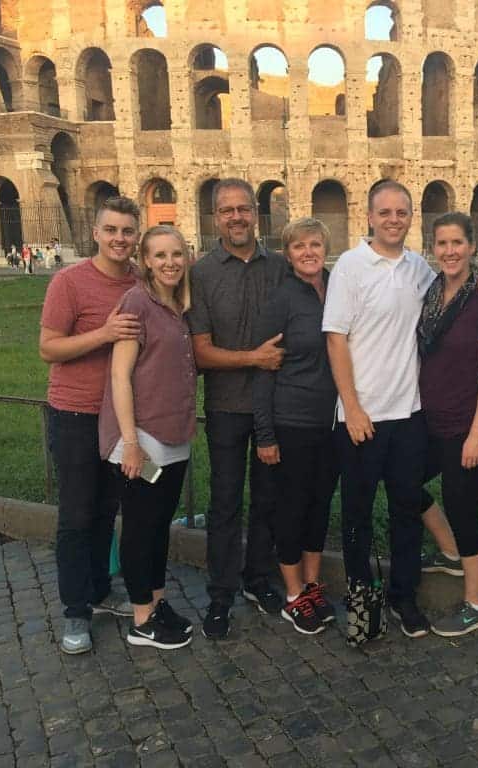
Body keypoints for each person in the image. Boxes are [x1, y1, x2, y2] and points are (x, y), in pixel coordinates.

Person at [323, 180, 435, 639]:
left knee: (407, 509)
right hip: (361, 415)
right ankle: (362, 601)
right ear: (369, 216)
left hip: (407, 412)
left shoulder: (418, 268)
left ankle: (403, 596)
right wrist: (351, 407)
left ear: (411, 217)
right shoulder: (350, 266)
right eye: (384, 212)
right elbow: (335, 338)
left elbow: (449, 291)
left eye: (401, 212)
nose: (393, 219)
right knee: (358, 513)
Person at [39, 196, 141, 654]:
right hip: (75, 412)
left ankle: (99, 590)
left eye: (127, 231)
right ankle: (75, 611)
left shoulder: (141, 282)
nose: (119, 238)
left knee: (105, 510)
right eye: (111, 230)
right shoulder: (70, 281)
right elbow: (48, 348)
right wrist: (105, 333)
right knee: (77, 514)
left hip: (118, 416)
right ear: (96, 233)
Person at [187, 178, 286, 640]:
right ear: (215, 218)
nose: (237, 217)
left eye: (243, 209)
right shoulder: (202, 273)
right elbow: (200, 353)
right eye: (227, 211)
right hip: (226, 406)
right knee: (225, 503)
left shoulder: (281, 268)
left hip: (275, 407)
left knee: (269, 499)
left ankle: (257, 577)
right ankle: (221, 592)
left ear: (256, 214)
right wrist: (253, 358)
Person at [99, 225, 197, 650]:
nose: (169, 262)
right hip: (142, 440)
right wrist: (132, 443)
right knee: (141, 526)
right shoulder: (137, 301)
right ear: (145, 260)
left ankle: (157, 603)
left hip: (173, 436)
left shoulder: (176, 306)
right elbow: (119, 375)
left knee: (158, 525)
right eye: (159, 255)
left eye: (176, 254)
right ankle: (142, 619)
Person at [413, 212, 478, 637]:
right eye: (442, 244)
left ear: (472, 246)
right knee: (402, 481)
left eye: (457, 243)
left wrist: (475, 433)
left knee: (463, 509)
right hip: (430, 419)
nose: (450, 251)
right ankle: (449, 551)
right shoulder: (432, 290)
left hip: (470, 426)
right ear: (433, 249)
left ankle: (477, 605)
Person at [251, 218, 339, 636]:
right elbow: (264, 369)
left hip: (332, 421)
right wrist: (265, 434)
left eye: (315, 244)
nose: (309, 252)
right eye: (299, 246)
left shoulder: (338, 287)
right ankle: (292, 595)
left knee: (319, 507)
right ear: (288, 254)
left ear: (326, 248)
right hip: (291, 420)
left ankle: (312, 585)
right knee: (291, 508)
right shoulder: (282, 299)